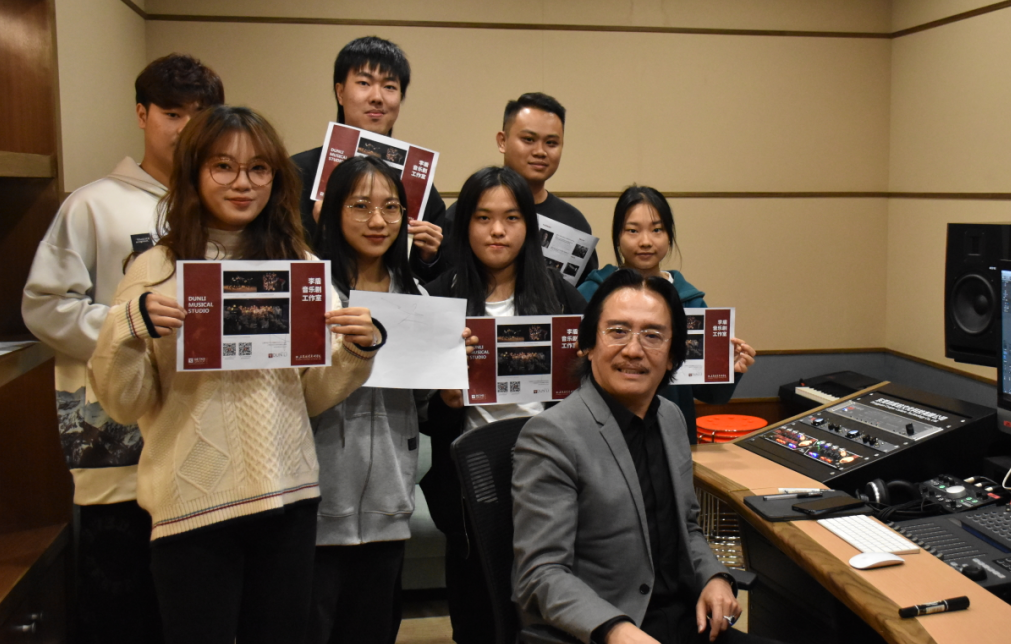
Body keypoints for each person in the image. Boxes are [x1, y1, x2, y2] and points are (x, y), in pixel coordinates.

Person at [89, 105, 384, 644]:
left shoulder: (300, 266)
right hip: (192, 502)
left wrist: (358, 350)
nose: (242, 182)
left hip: (288, 498)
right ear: (195, 173)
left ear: (276, 178)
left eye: (258, 169)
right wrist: (129, 326)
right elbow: (124, 402)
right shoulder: (155, 270)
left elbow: (308, 394)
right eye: (223, 166)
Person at [512, 269, 854, 644]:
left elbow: (687, 527)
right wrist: (614, 629)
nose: (634, 349)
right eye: (618, 331)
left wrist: (713, 576)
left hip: (686, 634)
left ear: (673, 355)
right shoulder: (552, 436)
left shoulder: (670, 418)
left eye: (653, 335)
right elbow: (540, 573)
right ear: (588, 344)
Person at [21, 53, 224, 644]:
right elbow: (45, 306)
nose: (186, 128)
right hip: (115, 451)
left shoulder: (221, 210)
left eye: (200, 115)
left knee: (185, 631)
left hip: (196, 446)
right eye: (172, 113)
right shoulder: (93, 205)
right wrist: (128, 326)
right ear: (142, 115)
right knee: (117, 621)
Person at [419, 165, 587, 644]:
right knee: (478, 625)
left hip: (551, 483)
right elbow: (418, 411)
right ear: (464, 225)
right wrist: (445, 398)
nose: (497, 231)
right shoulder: (439, 298)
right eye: (483, 218)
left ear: (529, 226)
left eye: (512, 218)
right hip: (472, 493)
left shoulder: (561, 295)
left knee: (548, 618)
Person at [295, 156, 433, 644]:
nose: (378, 221)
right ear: (330, 211)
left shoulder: (417, 296)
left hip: (388, 502)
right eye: (360, 206)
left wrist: (452, 367)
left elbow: (423, 402)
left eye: (391, 208)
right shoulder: (313, 290)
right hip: (315, 498)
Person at [579, 185, 756, 439]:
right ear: (617, 237)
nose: (645, 241)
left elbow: (711, 395)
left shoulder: (691, 303)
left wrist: (731, 368)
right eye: (632, 230)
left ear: (669, 237)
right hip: (601, 432)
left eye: (657, 230)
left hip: (670, 435)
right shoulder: (591, 293)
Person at [291, 36, 446, 281]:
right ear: (340, 92)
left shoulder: (419, 186)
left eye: (389, 87)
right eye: (364, 83)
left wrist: (428, 257)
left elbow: (432, 279)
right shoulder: (297, 173)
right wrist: (320, 232)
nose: (377, 97)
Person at [434, 92, 599, 283]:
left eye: (551, 143)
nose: (540, 152)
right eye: (528, 139)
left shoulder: (574, 222)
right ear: (502, 141)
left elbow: (587, 293)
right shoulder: (465, 212)